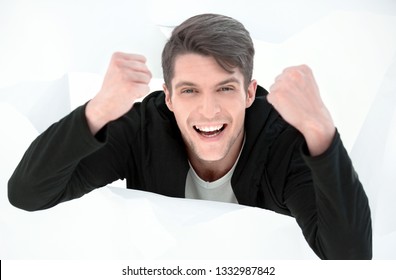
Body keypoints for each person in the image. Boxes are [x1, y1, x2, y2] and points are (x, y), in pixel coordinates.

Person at [8, 13, 372, 259]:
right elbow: (28, 193)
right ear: (167, 97)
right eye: (190, 91)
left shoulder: (282, 144)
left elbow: (350, 258)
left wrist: (321, 131)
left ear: (249, 93)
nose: (209, 111)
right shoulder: (142, 132)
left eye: (225, 89)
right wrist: (99, 108)